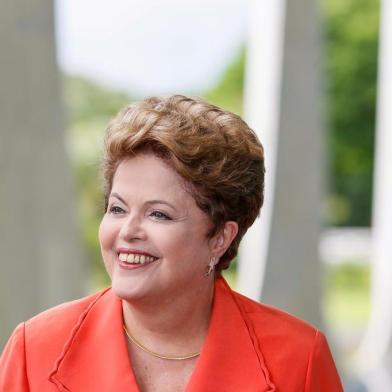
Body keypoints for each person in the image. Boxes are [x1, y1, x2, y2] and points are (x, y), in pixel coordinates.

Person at [0, 95, 343, 391]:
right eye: (117, 208)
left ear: (220, 238)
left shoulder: (299, 360)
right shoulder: (35, 349)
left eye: (158, 214)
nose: (128, 231)